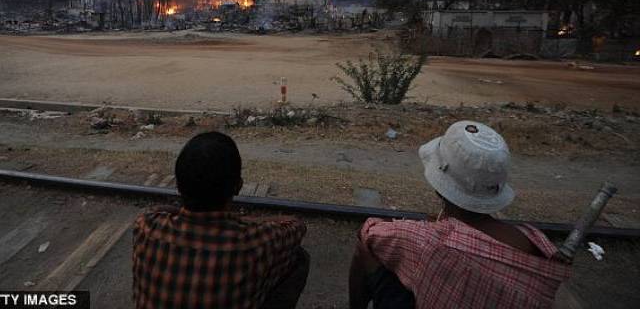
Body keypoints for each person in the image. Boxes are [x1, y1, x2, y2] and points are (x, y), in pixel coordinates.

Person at [349, 121, 571, 309]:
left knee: (365, 244)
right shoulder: (534, 240)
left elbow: (369, 232)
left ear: (439, 185)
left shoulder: (429, 241)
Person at [133, 131, 309, 309]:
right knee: (299, 256)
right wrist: (243, 221)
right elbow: (297, 224)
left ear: (177, 185)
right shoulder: (253, 242)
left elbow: (156, 210)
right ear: (238, 187)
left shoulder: (146, 226)